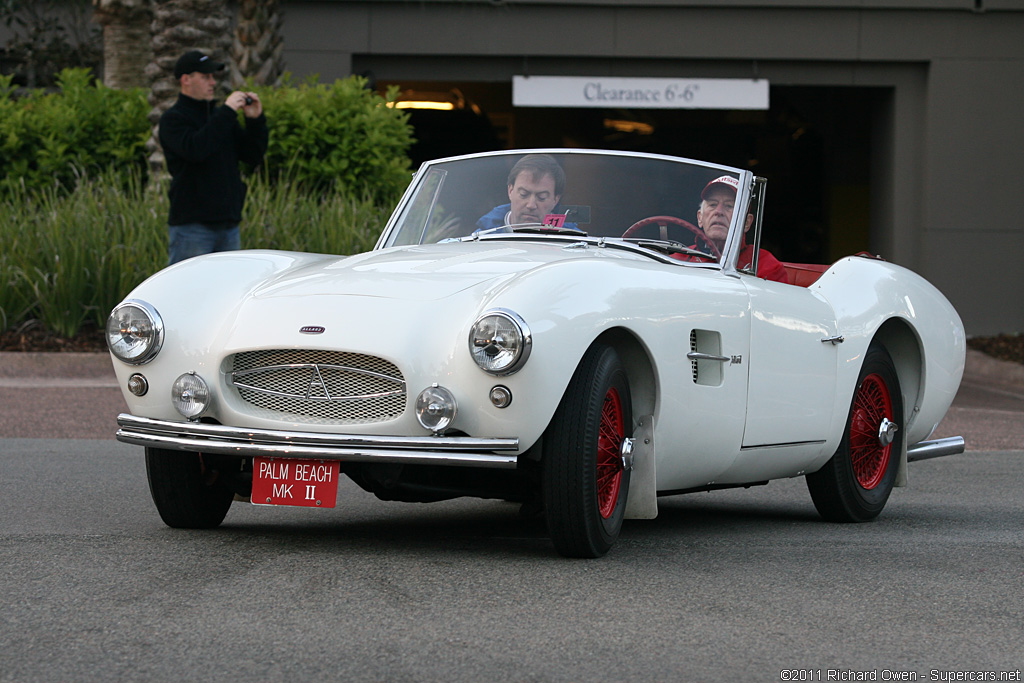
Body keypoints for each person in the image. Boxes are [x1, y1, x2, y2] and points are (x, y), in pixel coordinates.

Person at [159, 50, 269, 265]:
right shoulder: (173, 119)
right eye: (205, 77)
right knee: (189, 290)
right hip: (193, 227)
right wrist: (227, 111)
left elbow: (252, 156)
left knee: (226, 292)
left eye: (213, 77)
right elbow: (196, 150)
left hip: (228, 225)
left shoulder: (220, 118)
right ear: (186, 80)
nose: (212, 83)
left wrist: (255, 121)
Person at [693, 175, 788, 284]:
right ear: (700, 218)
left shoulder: (767, 268)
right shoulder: (678, 259)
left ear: (746, 223)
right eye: (713, 204)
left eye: (729, 206)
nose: (718, 212)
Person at [475, 154, 577, 231]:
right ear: (510, 191)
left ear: (555, 200)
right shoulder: (482, 237)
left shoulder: (575, 241)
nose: (531, 205)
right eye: (524, 194)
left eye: (541, 197)